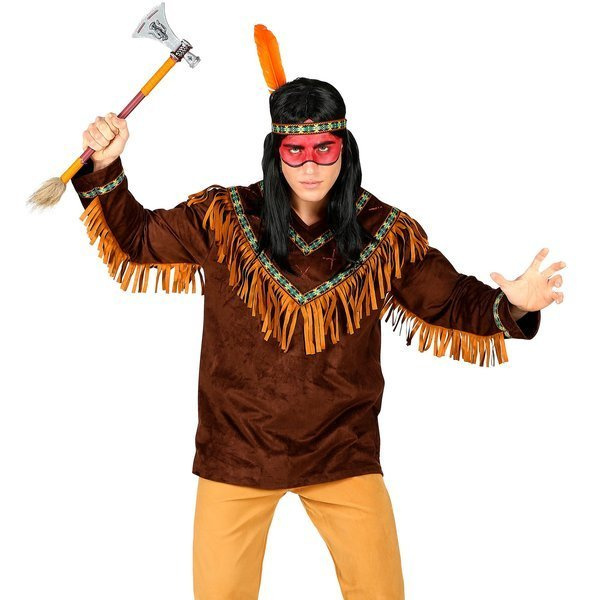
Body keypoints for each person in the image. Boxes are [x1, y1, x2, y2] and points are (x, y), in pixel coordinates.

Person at [70, 75, 563, 599]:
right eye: (296, 151)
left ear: (344, 150)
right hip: (237, 450)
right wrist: (106, 166)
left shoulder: (381, 232)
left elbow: (450, 299)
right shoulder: (223, 218)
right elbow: (139, 237)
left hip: (342, 449)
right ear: (276, 152)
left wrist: (514, 303)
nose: (310, 166)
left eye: (323, 149)